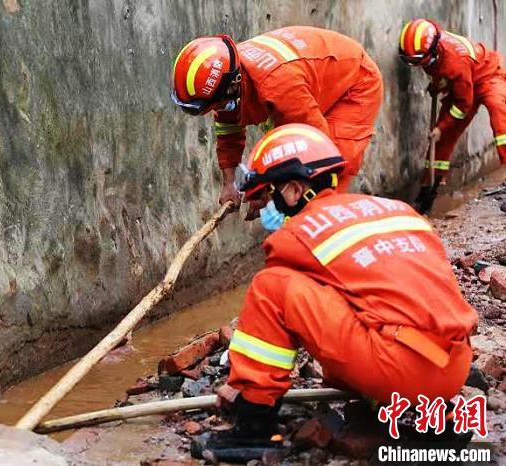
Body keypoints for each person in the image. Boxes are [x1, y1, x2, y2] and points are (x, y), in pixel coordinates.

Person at [199, 123, 477, 455]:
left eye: (266, 195)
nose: (262, 210)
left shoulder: (298, 235)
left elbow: (283, 305)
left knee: (270, 286)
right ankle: (424, 417)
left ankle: (253, 427)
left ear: (292, 190)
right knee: (363, 314)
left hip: (402, 371)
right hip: (455, 365)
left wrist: (247, 392)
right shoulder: (398, 211)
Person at [171, 26, 383, 206]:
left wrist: (268, 191)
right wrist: (230, 184)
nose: (217, 109)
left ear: (232, 86)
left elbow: (316, 148)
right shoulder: (230, 75)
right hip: (313, 86)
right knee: (293, 196)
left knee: (327, 178)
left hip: (355, 84)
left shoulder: (278, 85)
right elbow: (229, 130)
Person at [398, 19, 506, 213]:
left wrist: (441, 127)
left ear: (432, 52)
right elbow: (442, 73)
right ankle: (429, 189)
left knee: (501, 122)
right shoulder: (430, 51)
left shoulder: (455, 61)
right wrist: (437, 85)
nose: (415, 65)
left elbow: (463, 106)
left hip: (487, 75)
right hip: (462, 81)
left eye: (417, 61)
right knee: (441, 139)